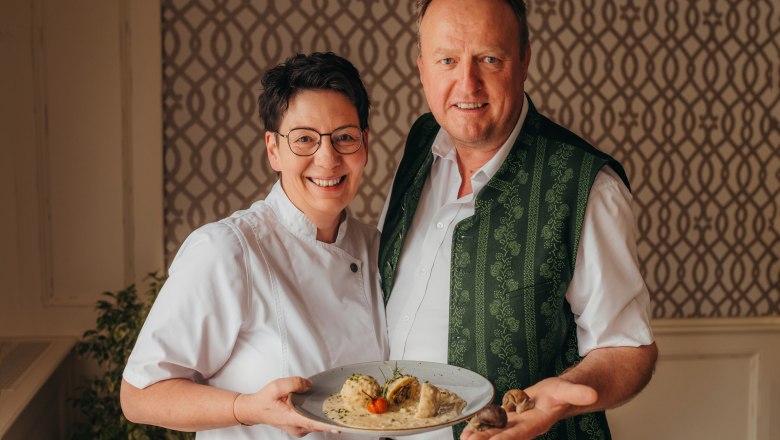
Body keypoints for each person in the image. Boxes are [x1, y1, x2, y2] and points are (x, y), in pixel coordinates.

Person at [378, 0, 658, 439]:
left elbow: (627, 348)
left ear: (524, 60)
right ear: (421, 67)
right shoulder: (419, 145)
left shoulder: (588, 186)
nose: (466, 83)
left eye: (489, 59)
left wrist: (564, 393)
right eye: (447, 60)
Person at [121, 52, 388, 439]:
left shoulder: (377, 248)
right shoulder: (228, 249)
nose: (327, 159)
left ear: (364, 144)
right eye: (304, 140)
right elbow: (139, 395)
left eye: (344, 137)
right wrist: (246, 408)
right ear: (273, 150)